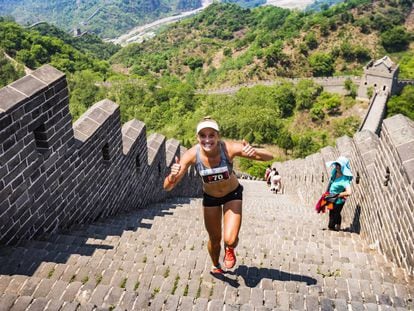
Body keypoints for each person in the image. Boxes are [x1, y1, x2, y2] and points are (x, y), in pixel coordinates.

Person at [163, 117, 274, 274]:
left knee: (230, 239)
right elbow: (167, 187)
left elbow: (270, 157)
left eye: (211, 135)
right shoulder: (191, 155)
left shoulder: (228, 149)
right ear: (197, 137)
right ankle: (216, 265)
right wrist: (172, 177)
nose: (207, 139)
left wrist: (255, 151)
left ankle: (230, 248)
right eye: (203, 135)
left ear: (218, 136)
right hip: (211, 199)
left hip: (232, 195)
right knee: (214, 241)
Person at [325, 156, 353, 231]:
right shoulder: (334, 172)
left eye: (339, 165)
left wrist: (338, 195)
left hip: (338, 201)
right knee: (331, 213)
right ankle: (337, 225)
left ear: (343, 167)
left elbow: (349, 192)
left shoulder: (345, 179)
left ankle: (333, 227)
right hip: (331, 198)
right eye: (336, 164)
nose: (337, 166)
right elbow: (330, 182)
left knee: (335, 214)